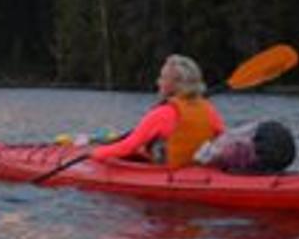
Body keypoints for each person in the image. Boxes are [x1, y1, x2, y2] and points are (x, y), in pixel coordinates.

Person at [90, 54, 224, 170]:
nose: (158, 82)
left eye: (162, 77)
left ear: (176, 84)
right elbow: (223, 140)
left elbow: (127, 147)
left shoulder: (163, 113)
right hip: (200, 170)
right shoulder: (209, 109)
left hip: (167, 174)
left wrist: (94, 154)